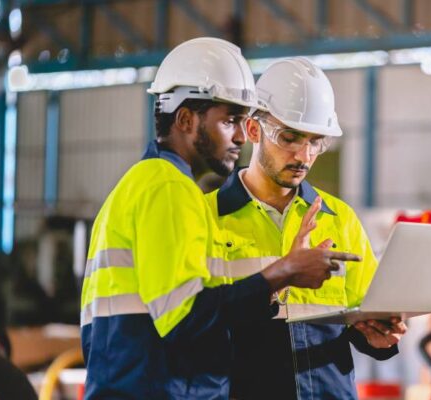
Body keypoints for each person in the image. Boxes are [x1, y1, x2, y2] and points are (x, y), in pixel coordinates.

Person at [80, 39, 360, 399]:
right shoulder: (167, 188)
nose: (241, 136)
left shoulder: (149, 185)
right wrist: (283, 272)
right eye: (229, 120)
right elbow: (186, 317)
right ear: (185, 119)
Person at [205, 57, 406, 400]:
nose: (304, 155)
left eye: (316, 141)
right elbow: (190, 325)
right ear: (254, 130)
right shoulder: (205, 217)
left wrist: (377, 339)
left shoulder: (339, 218)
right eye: (290, 138)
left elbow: (360, 315)